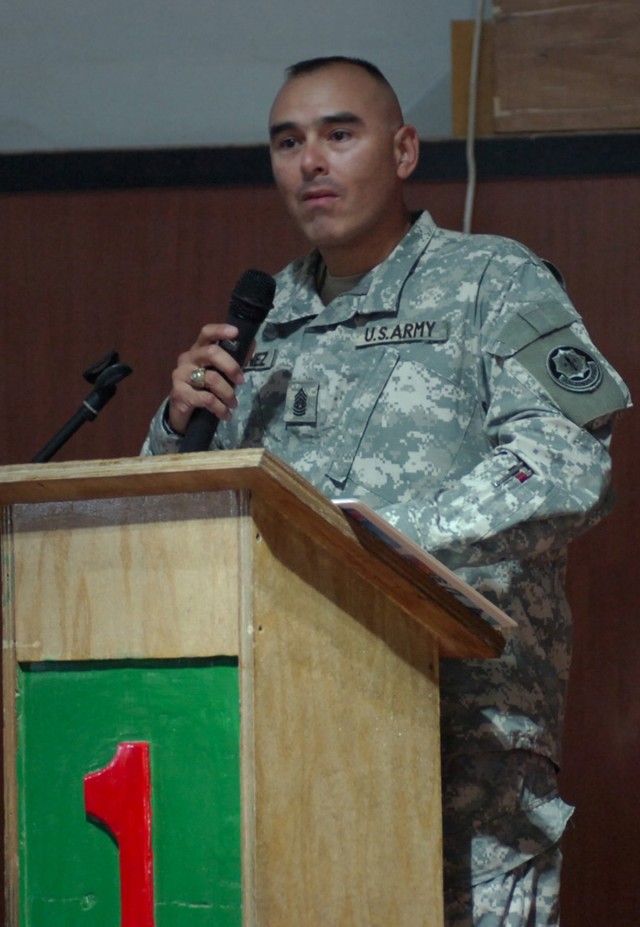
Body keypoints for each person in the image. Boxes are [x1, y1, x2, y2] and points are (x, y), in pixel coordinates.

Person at [142, 56, 631, 926]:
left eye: (340, 134)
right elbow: (188, 517)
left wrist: (372, 546)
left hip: (463, 738)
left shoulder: (494, 280)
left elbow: (565, 466)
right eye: (287, 142)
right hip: (290, 729)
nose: (311, 163)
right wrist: (179, 426)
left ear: (403, 151)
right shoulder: (269, 318)